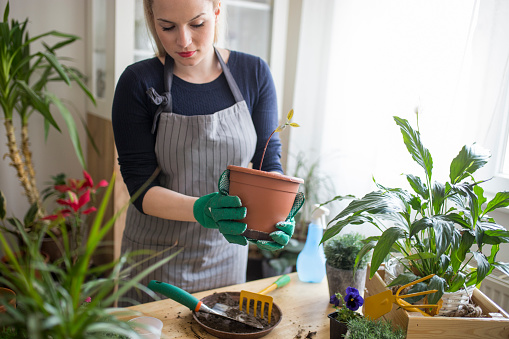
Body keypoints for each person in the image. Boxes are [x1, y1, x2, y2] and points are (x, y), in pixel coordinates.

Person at [112, 0, 302, 305]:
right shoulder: (137, 82)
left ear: (216, 11)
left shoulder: (253, 73)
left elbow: (269, 162)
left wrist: (278, 213)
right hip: (154, 263)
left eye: (197, 24)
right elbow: (140, 187)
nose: (183, 41)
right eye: (167, 27)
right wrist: (203, 209)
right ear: (152, 19)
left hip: (225, 259)